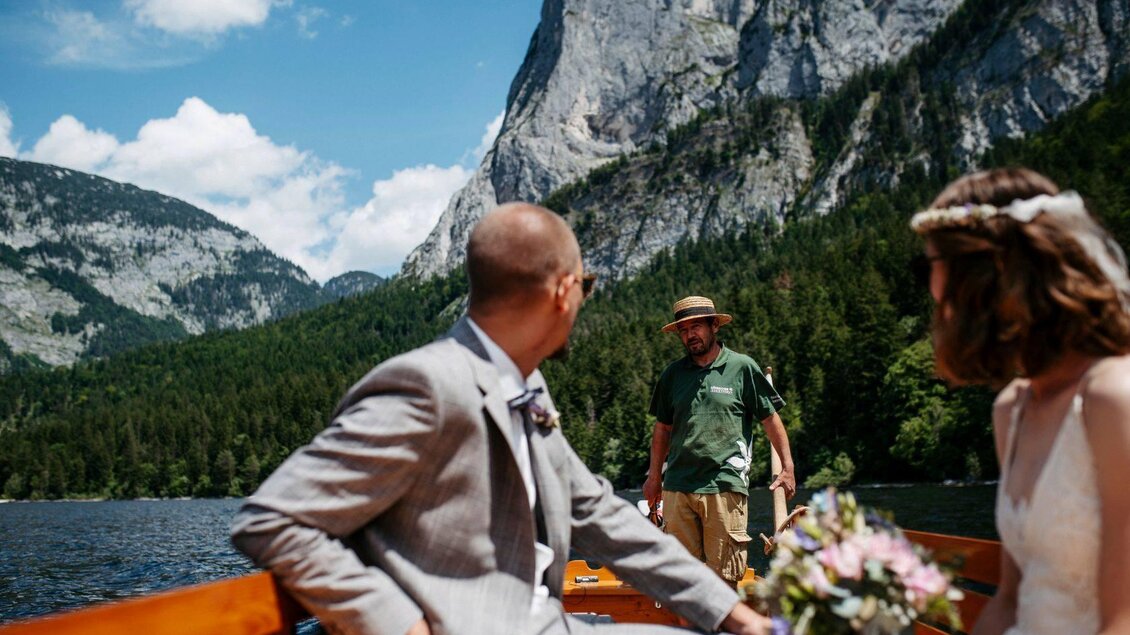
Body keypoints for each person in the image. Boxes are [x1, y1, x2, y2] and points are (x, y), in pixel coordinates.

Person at [231, 203, 770, 635]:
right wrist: (397, 625)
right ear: (563, 292)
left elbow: (600, 515)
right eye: (586, 287)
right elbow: (273, 519)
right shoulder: (428, 384)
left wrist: (734, 614)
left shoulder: (526, 385)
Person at [909, 168, 1130, 635]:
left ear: (995, 273)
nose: (931, 289)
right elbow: (1011, 600)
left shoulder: (1113, 397)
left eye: (932, 267)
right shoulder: (1012, 408)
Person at [642, 296, 796, 586]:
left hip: (725, 485)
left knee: (725, 577)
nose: (690, 335)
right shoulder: (672, 375)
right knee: (682, 579)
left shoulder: (742, 367)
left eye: (696, 326)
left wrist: (787, 467)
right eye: (684, 330)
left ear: (714, 326)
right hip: (677, 487)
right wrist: (654, 477)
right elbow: (662, 429)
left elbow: (770, 419)